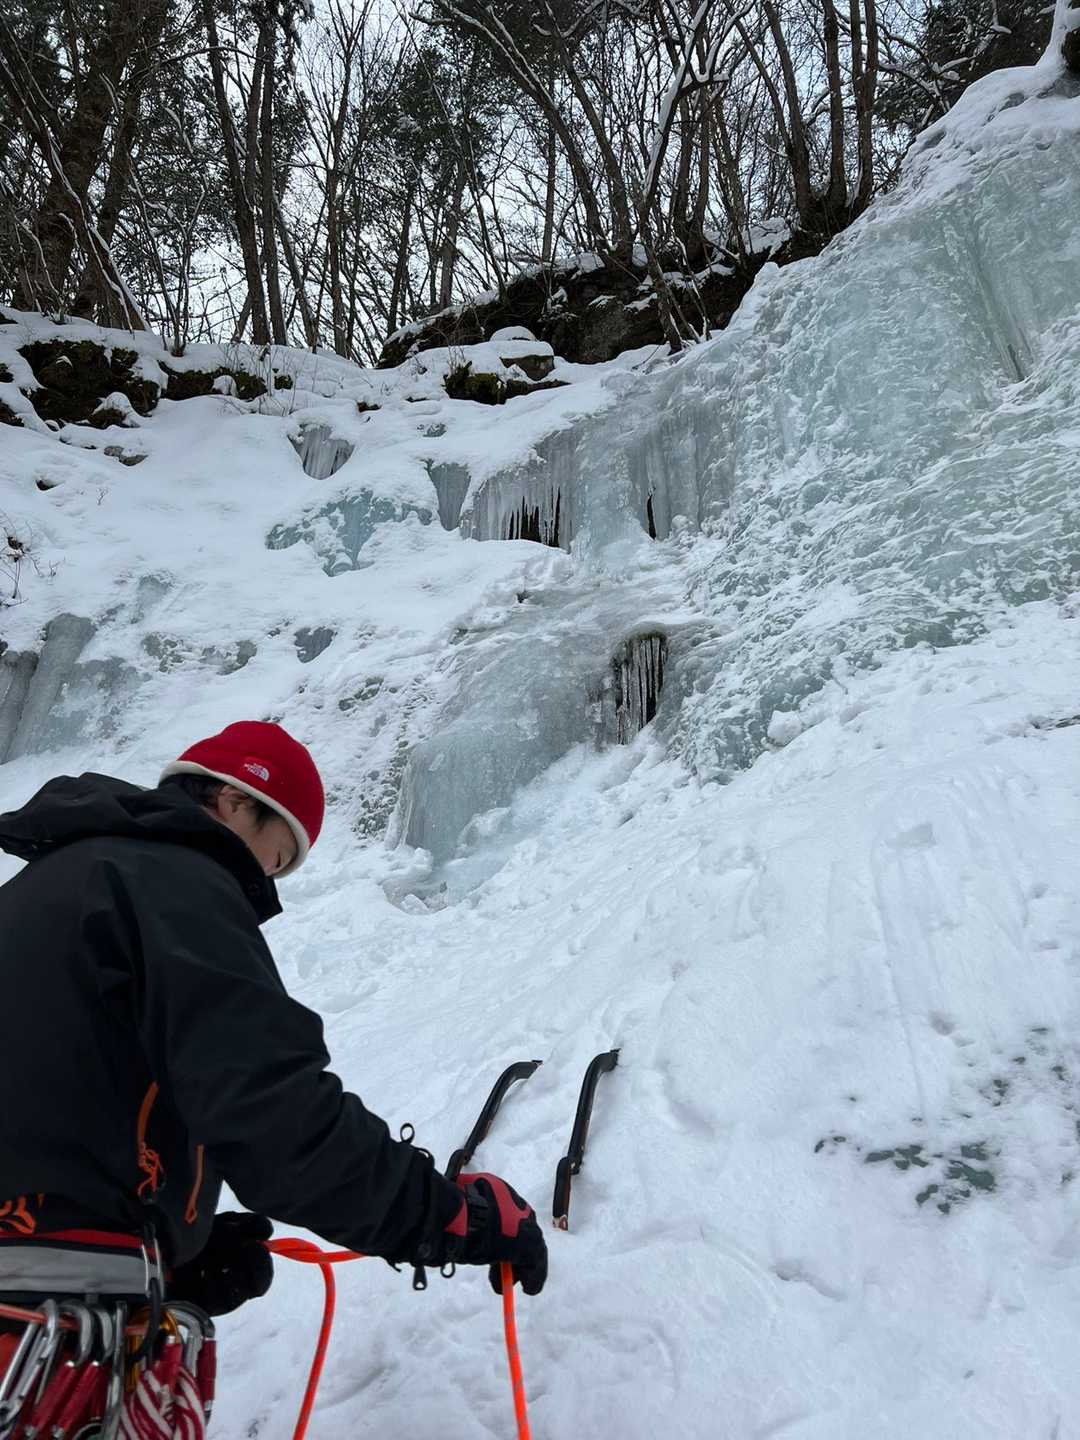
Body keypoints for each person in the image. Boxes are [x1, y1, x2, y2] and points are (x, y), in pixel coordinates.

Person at [0, 720, 546, 1327]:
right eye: (276, 855)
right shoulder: (174, 883)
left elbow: (56, 1098)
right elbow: (275, 1116)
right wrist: (453, 1216)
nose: (263, 879)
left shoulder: (47, 887)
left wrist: (171, 1245)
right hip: (43, 1319)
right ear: (234, 799)